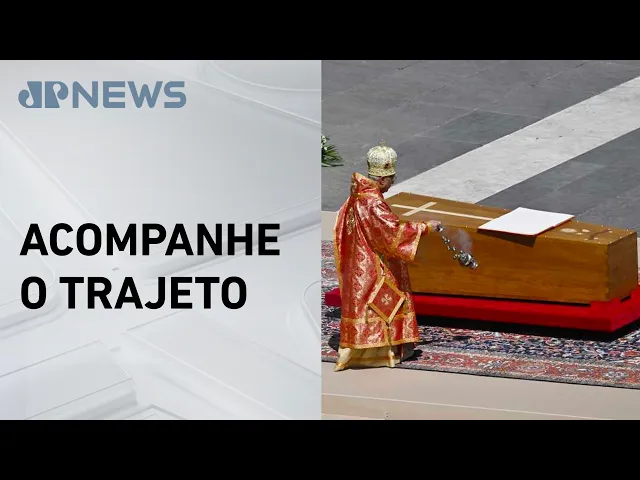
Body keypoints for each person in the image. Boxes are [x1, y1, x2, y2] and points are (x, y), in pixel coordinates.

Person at [333, 140, 440, 372]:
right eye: (392, 178)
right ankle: (383, 352)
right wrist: (425, 227)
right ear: (381, 179)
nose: (393, 181)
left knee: (368, 302)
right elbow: (392, 233)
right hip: (374, 263)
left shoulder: (358, 194)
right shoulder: (373, 202)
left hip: (359, 259)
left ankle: (362, 348)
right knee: (387, 299)